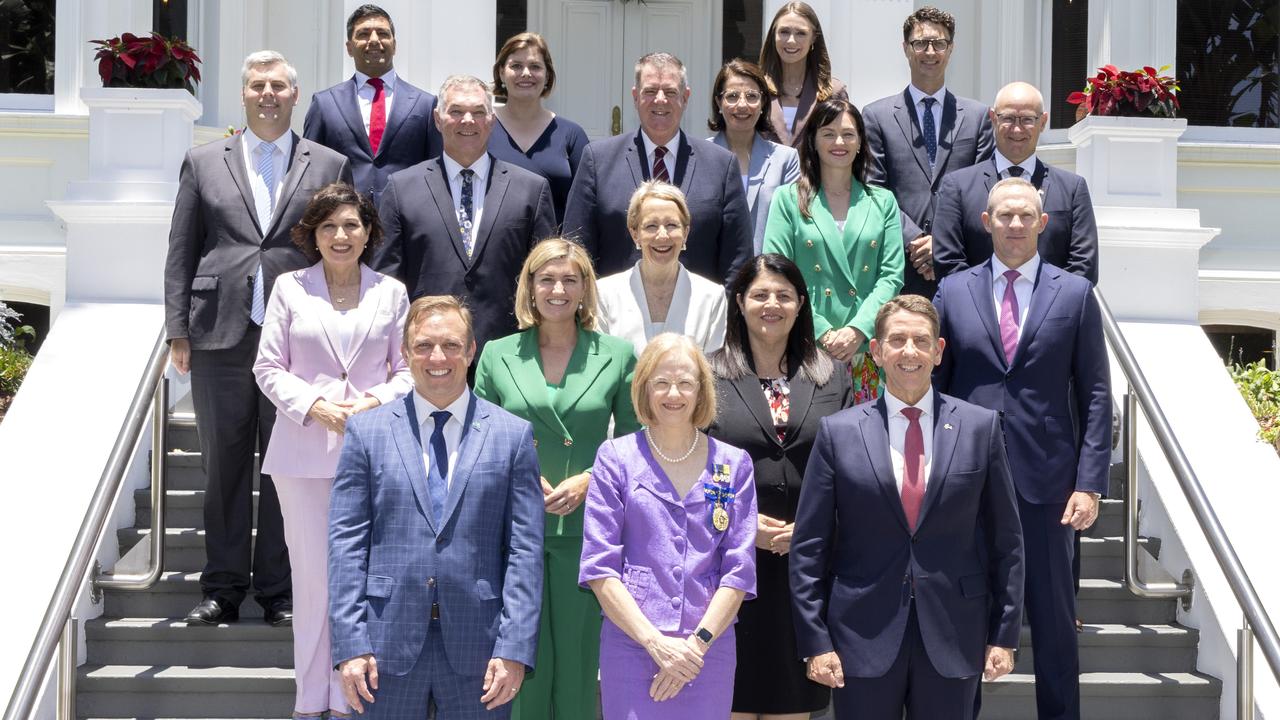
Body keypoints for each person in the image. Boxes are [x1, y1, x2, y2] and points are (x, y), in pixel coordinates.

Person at [164, 50, 353, 627]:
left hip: (298, 341)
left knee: (284, 467)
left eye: (278, 85)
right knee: (222, 466)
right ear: (243, 94)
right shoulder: (203, 161)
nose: (268, 93)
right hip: (221, 336)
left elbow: (340, 245)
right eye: (256, 85)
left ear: (296, 96)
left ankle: (278, 591)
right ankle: (222, 588)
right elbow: (181, 249)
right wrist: (177, 331)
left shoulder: (328, 163)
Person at [789, 295, 1025, 720]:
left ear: (938, 352)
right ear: (876, 352)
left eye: (921, 340)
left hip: (956, 634)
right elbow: (809, 548)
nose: (909, 352)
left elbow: (1007, 541)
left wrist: (1004, 634)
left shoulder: (980, 428)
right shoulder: (838, 433)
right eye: (897, 340)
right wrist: (816, 641)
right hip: (861, 636)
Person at [934, 178, 1111, 720]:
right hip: (967, 480)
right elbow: (935, 385)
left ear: (1043, 223)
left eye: (1024, 216)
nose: (1014, 224)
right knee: (966, 619)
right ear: (985, 223)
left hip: (1048, 484)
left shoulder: (1075, 294)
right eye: (1003, 216)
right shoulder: (953, 291)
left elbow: (1097, 393)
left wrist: (1090, 482)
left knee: (1054, 625)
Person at [328, 295, 544, 719]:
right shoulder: (366, 433)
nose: (437, 357)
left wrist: (514, 648)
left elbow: (524, 552)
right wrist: (351, 644)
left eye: (450, 345)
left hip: (481, 650)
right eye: (424, 346)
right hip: (383, 648)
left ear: (471, 351)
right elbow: (346, 546)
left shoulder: (512, 436)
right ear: (405, 354)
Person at [253, 183, 412, 719]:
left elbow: (409, 371)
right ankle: (308, 701)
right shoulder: (288, 288)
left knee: (363, 580)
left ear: (369, 233)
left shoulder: (390, 292)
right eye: (329, 227)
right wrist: (314, 405)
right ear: (312, 235)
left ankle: (349, 701)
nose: (341, 236)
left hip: (374, 454)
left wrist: (373, 401)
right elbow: (267, 367)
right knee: (314, 581)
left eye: (351, 226)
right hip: (302, 456)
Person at [473, 238, 640, 720]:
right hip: (515, 530)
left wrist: (591, 479)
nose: (558, 289)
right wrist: (521, 479)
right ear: (529, 287)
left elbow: (634, 444)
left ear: (586, 288)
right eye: (546, 278)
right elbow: (480, 443)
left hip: (588, 532)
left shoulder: (618, 354)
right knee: (521, 666)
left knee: (578, 669)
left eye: (570, 279)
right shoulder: (496, 354)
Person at [579, 333, 758, 719]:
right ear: (643, 388)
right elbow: (599, 568)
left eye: (685, 382)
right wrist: (656, 644)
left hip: (707, 651)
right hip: (632, 645)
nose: (673, 393)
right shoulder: (614, 458)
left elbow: (739, 571)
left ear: (701, 390)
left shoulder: (733, 464)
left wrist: (695, 648)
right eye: (660, 382)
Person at [704, 254, 852, 719]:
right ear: (740, 303)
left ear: (801, 304)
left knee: (792, 706)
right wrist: (742, 528)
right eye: (761, 294)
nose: (772, 304)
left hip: (804, 575)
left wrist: (813, 528)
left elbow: (849, 470)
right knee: (732, 702)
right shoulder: (707, 374)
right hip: (725, 571)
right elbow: (691, 467)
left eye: (784, 295)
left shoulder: (832, 374)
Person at [375, 74, 557, 354]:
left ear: (492, 120)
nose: (468, 120)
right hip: (429, 354)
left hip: (510, 352)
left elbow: (545, 275)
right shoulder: (401, 189)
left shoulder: (531, 189)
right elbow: (386, 281)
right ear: (438, 119)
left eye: (478, 112)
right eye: (456, 111)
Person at [562, 51, 753, 283]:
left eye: (671, 92)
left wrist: (725, 316)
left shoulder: (721, 165)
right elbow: (576, 248)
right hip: (616, 313)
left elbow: (738, 259)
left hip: (698, 314)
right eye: (650, 91)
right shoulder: (598, 161)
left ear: (686, 96)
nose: (660, 100)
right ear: (635, 96)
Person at [762, 99, 905, 404]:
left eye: (848, 134)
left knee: (866, 443)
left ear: (860, 142)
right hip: (804, 345)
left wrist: (857, 330)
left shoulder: (883, 202)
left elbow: (891, 276)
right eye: (828, 133)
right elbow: (777, 274)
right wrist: (825, 333)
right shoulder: (787, 200)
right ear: (813, 140)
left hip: (866, 350)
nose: (839, 142)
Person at [862, 6, 994, 298]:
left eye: (939, 43)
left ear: (951, 49)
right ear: (906, 48)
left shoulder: (978, 116)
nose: (930, 52)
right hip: (897, 265)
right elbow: (874, 190)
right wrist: (917, 240)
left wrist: (942, 243)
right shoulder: (876, 116)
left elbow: (981, 188)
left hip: (961, 262)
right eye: (920, 43)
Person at [932, 81, 1099, 285]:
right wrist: (989, 305)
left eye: (1028, 119)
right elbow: (948, 263)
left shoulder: (1072, 189)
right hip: (978, 312)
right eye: (1008, 118)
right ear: (993, 118)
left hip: (1052, 313)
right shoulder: (957, 187)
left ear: (1043, 121)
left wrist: (1045, 306)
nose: (1017, 130)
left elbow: (1084, 266)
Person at [303, 4, 442, 207]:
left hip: (407, 219)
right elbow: (310, 169)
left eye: (383, 33)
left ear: (394, 45)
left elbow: (435, 169)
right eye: (364, 34)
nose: (374, 40)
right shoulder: (324, 103)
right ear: (349, 47)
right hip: (344, 222)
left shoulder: (425, 104)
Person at [596, 182, 727, 356]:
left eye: (672, 225)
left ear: (686, 233)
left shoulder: (712, 297)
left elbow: (715, 373)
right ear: (635, 234)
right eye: (651, 226)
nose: (663, 235)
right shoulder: (604, 294)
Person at [489, 32, 591, 223]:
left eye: (535, 66)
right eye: (516, 66)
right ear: (502, 72)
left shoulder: (572, 135)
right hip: (495, 248)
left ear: (547, 75)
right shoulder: (482, 128)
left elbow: (585, 204)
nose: (526, 73)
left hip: (553, 249)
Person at [708, 59, 801, 255]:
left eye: (751, 96)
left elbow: (792, 225)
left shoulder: (786, 159)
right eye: (732, 96)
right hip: (712, 277)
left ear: (762, 103)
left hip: (767, 275)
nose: (742, 105)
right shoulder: (700, 155)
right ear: (718, 102)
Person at [759, 2, 848, 147]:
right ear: (773, 35)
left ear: (813, 38)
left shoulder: (834, 92)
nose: (791, 40)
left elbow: (842, 145)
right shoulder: (756, 89)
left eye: (801, 33)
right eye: (784, 32)